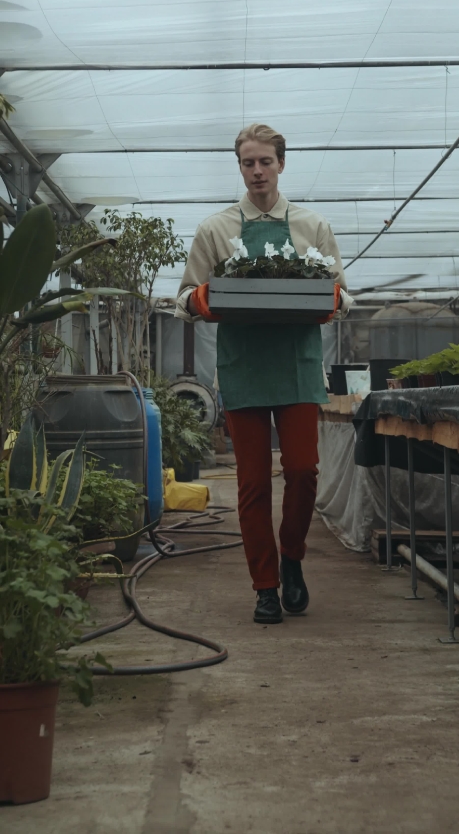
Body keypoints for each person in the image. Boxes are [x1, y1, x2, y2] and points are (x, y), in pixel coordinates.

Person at [175, 123, 352, 624]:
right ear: (240, 167)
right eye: (248, 163)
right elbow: (184, 297)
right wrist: (204, 298)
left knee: (302, 471)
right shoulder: (216, 229)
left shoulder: (312, 226)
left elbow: (343, 294)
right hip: (243, 368)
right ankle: (266, 586)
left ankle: (292, 555)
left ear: (281, 164)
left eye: (265, 162)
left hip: (297, 365)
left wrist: (329, 299)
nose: (257, 171)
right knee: (252, 483)